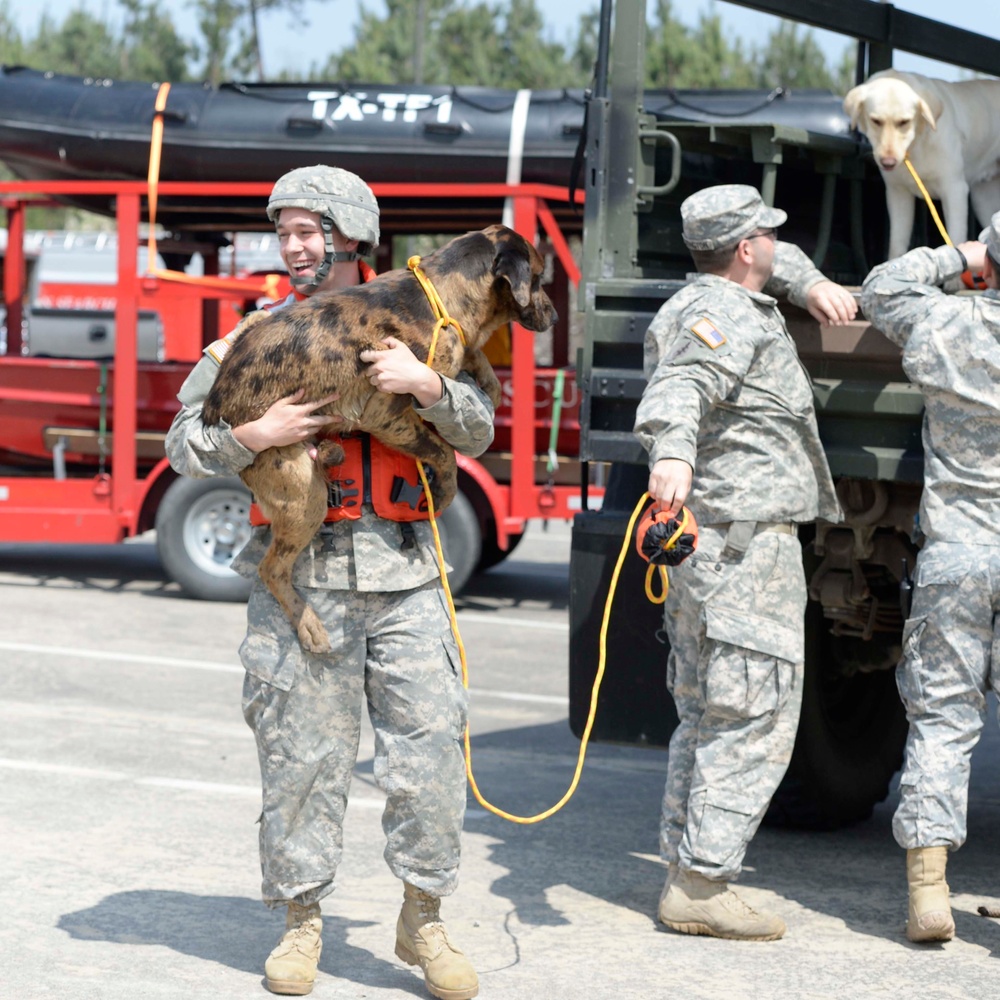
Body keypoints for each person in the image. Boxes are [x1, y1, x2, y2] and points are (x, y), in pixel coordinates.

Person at [165, 164, 491, 999]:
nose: (294, 246)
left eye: (309, 230)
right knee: (301, 764)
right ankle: (302, 922)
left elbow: (481, 430)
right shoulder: (256, 338)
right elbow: (180, 444)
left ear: (352, 236)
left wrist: (431, 389)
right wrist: (253, 433)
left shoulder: (427, 327)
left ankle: (423, 920)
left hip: (409, 575)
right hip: (306, 582)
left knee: (429, 756)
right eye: (285, 232)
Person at [633, 183, 857, 941]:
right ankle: (703, 880)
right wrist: (670, 455)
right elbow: (682, 387)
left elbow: (778, 257)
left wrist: (809, 281)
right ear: (743, 249)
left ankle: (687, 869)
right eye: (766, 236)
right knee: (753, 711)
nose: (773, 243)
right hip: (743, 545)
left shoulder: (727, 291)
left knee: (708, 709)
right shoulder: (721, 314)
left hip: (719, 543)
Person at [861, 217, 1000, 944]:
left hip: (956, 551)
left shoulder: (947, 320)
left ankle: (929, 893)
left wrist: (961, 253)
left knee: (943, 716)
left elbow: (883, 287)